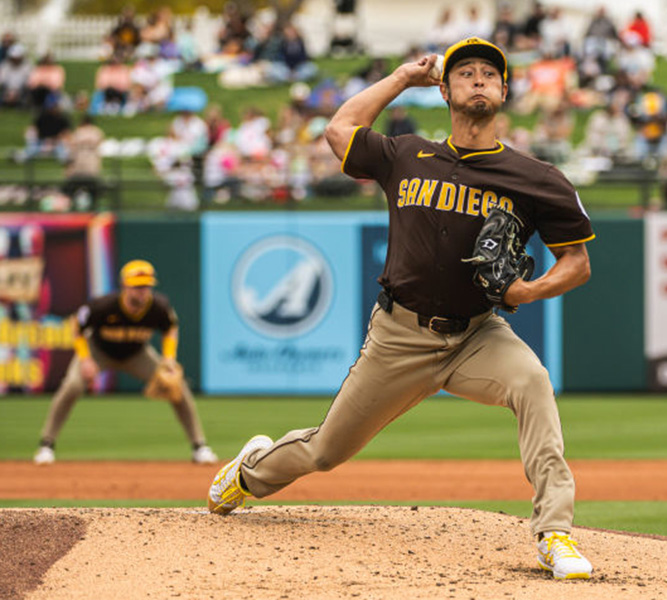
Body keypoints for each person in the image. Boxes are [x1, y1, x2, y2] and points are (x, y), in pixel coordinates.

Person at [207, 37, 596, 581]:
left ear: (504, 91)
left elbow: (576, 263)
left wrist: (526, 293)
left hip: (477, 335)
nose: (479, 79)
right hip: (399, 335)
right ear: (445, 89)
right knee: (325, 451)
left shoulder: (538, 180)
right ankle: (249, 474)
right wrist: (398, 79)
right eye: (466, 73)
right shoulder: (406, 154)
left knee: (532, 381)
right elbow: (338, 130)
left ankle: (554, 532)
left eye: (490, 73)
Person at [33, 260, 217, 465]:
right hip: (98, 351)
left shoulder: (158, 306)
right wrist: (85, 359)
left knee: (178, 387)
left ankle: (199, 447)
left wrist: (168, 359)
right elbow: (77, 327)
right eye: (137, 287)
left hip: (137, 354)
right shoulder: (103, 305)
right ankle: (46, 445)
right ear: (124, 286)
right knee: (73, 386)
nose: (142, 291)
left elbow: (170, 329)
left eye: (146, 286)